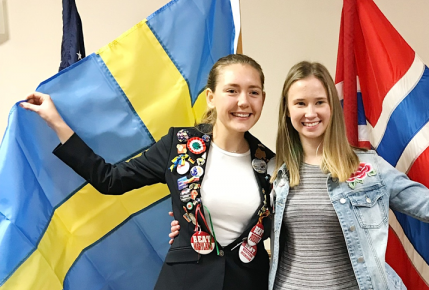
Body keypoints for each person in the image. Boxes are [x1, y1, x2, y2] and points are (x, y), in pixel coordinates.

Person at [168, 60, 429, 289]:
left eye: (319, 102)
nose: (310, 112)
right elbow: (234, 213)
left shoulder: (368, 169)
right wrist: (186, 226)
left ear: (332, 108)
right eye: (300, 103)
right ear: (287, 111)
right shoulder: (273, 170)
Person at [21, 54, 275, 290]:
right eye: (232, 90)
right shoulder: (180, 145)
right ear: (211, 96)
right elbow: (111, 179)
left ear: (262, 98)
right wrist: (56, 121)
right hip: (185, 282)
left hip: (248, 282)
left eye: (253, 92)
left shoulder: (271, 164)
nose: (243, 101)